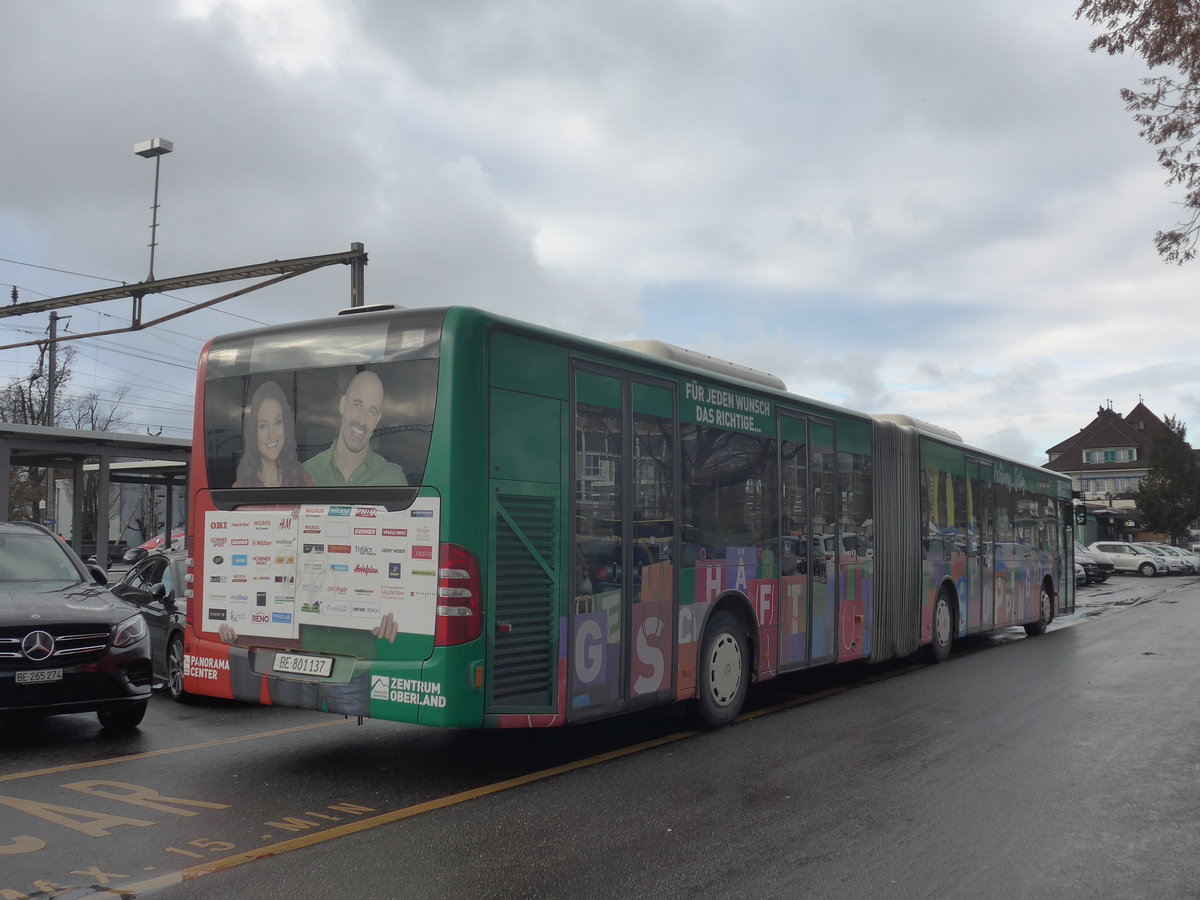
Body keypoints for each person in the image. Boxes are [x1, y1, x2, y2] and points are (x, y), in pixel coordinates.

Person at [302, 369, 408, 486]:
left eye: (372, 411)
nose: (362, 420)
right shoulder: (306, 473)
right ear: (343, 405)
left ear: (377, 420)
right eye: (357, 405)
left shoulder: (393, 479)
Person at [234, 380, 313, 488]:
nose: (272, 435)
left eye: (278, 422)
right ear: (254, 432)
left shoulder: (303, 480)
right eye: (263, 425)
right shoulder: (241, 487)